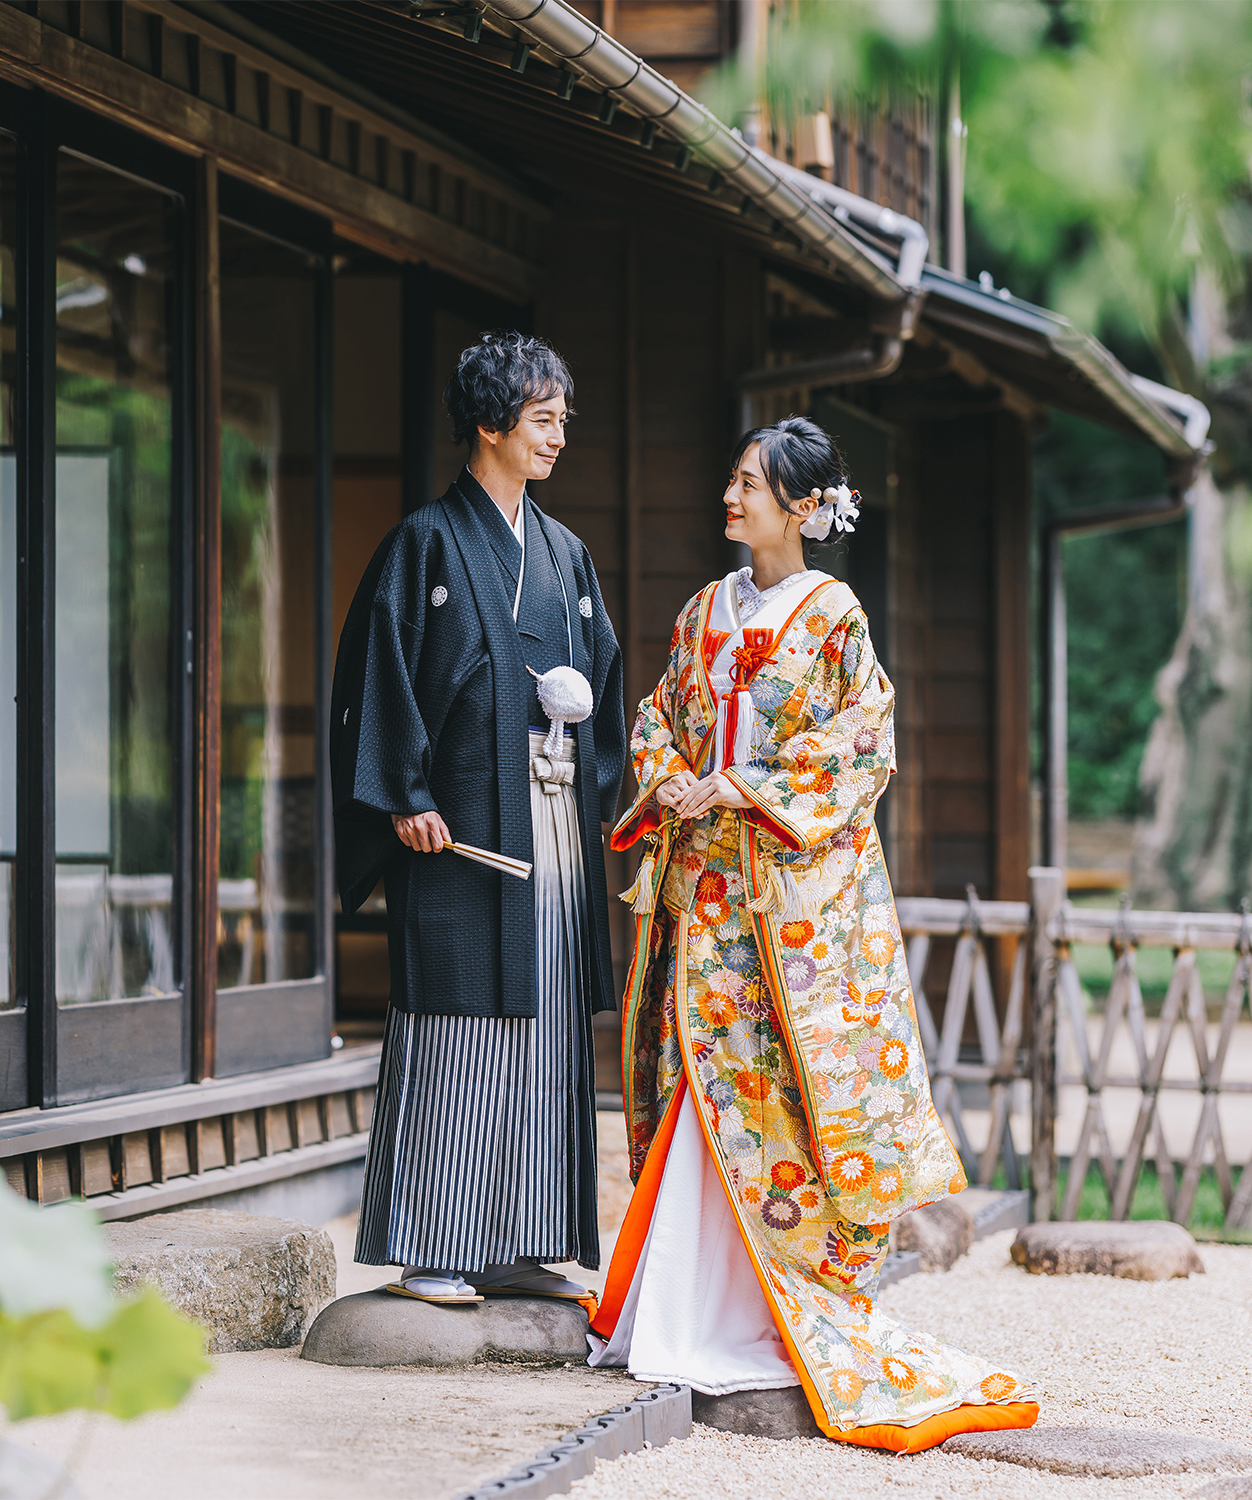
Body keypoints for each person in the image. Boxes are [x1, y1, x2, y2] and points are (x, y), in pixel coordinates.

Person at [589, 416, 1038, 1450]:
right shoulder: (705, 609)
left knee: (774, 1101)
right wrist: (673, 782)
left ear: (800, 505)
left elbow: (859, 745)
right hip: (704, 890)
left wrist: (741, 786)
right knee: (696, 1080)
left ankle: (758, 1313)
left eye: (749, 484)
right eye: (735, 479)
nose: (730, 496)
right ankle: (676, 1311)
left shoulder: (835, 617)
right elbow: (657, 719)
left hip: (780, 912)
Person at [331, 331, 626, 1307]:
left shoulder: (565, 555)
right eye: (542, 420)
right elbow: (377, 680)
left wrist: (599, 779)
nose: (557, 438)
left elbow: (606, 694)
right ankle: (435, 1244)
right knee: (456, 1028)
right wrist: (404, 797)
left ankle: (525, 1239)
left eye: (562, 422)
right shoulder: (425, 543)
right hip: (457, 837)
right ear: (491, 424)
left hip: (549, 825)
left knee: (545, 1027)